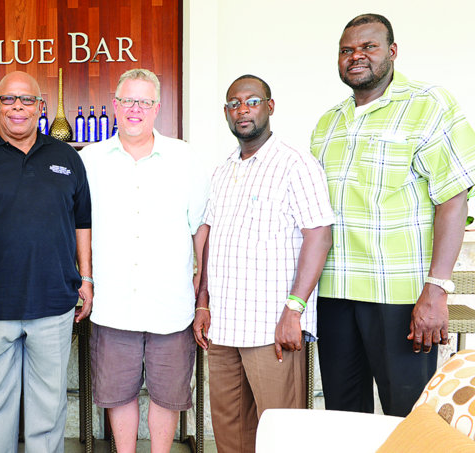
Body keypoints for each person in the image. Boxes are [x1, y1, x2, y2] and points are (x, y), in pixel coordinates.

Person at [311, 13, 475, 416]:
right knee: (343, 415)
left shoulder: (429, 104)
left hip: (399, 298)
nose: (356, 56)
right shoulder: (328, 123)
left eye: (368, 47)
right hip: (334, 294)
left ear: (392, 51)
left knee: (406, 415)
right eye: (347, 50)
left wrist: (436, 291)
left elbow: (452, 201)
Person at [0, 71, 92, 452]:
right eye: (8, 100)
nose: (18, 108)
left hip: (53, 304)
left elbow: (82, 224)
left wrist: (86, 279)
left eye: (26, 100)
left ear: (41, 107)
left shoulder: (66, 158)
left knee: (49, 406)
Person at [195, 74, 334, 453]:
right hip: (223, 327)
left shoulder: (296, 165)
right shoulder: (224, 170)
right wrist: (203, 301)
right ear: (226, 113)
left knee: (279, 434)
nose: (242, 109)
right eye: (234, 103)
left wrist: (295, 311)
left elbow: (319, 236)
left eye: (252, 101)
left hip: (271, 329)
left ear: (269, 107)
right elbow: (211, 239)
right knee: (229, 431)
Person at [79, 68, 209, 452]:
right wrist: (84, 279)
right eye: (128, 100)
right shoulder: (91, 159)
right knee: (118, 394)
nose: (135, 108)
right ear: (115, 106)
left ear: (157, 108)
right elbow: (79, 227)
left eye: (144, 101)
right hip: (112, 303)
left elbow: (200, 229)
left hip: (171, 305)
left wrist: (203, 296)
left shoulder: (184, 157)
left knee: (168, 396)